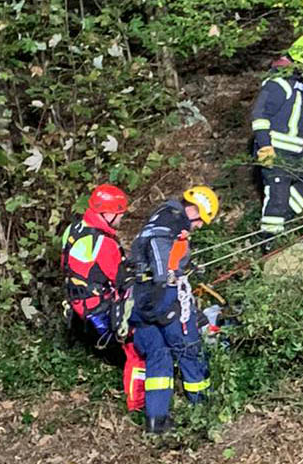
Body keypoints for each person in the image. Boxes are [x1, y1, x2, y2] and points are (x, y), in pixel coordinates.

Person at [127, 185, 219, 434]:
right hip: (162, 295)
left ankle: (156, 421)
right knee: (189, 348)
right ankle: (203, 409)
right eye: (201, 220)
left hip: (139, 296)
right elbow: (159, 248)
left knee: (158, 354)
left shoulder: (161, 215)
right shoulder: (172, 218)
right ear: (194, 209)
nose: (199, 226)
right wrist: (166, 278)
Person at [250, 35, 303, 245]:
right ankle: (269, 241)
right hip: (275, 150)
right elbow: (259, 116)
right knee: (277, 194)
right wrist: (265, 145)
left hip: (296, 151)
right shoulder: (276, 83)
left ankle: (283, 220)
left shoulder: (298, 85)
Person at [60, 183, 129, 366]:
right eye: (119, 214)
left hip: (75, 303)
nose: (121, 218)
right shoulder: (104, 243)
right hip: (96, 309)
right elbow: (120, 279)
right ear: (107, 213)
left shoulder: (73, 229)